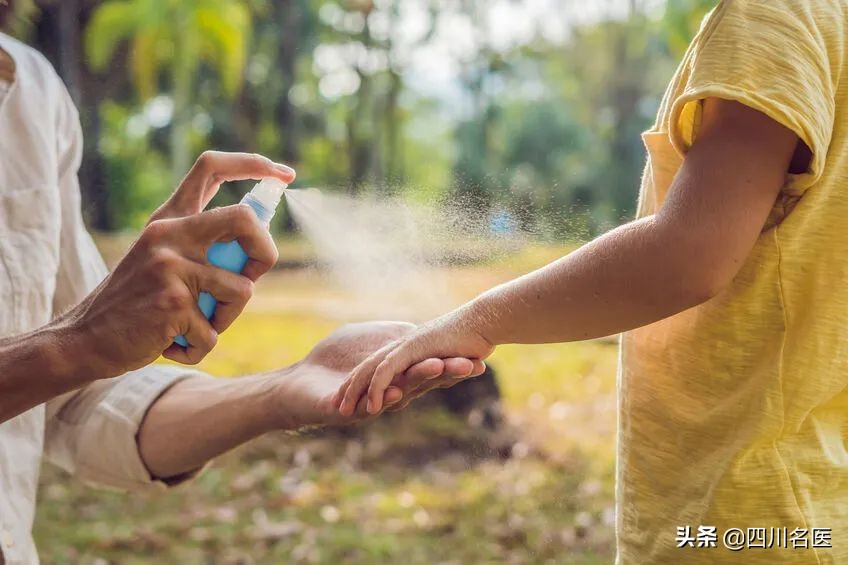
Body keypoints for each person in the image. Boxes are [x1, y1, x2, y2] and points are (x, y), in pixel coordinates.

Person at [337, 0, 847, 562]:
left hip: (745, 513)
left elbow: (690, 252)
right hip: (814, 493)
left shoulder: (773, 13)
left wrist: (476, 322)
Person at [0, 30, 484, 565]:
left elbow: (80, 402)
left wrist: (280, 390)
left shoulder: (31, 94)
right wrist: (78, 343)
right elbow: (69, 358)